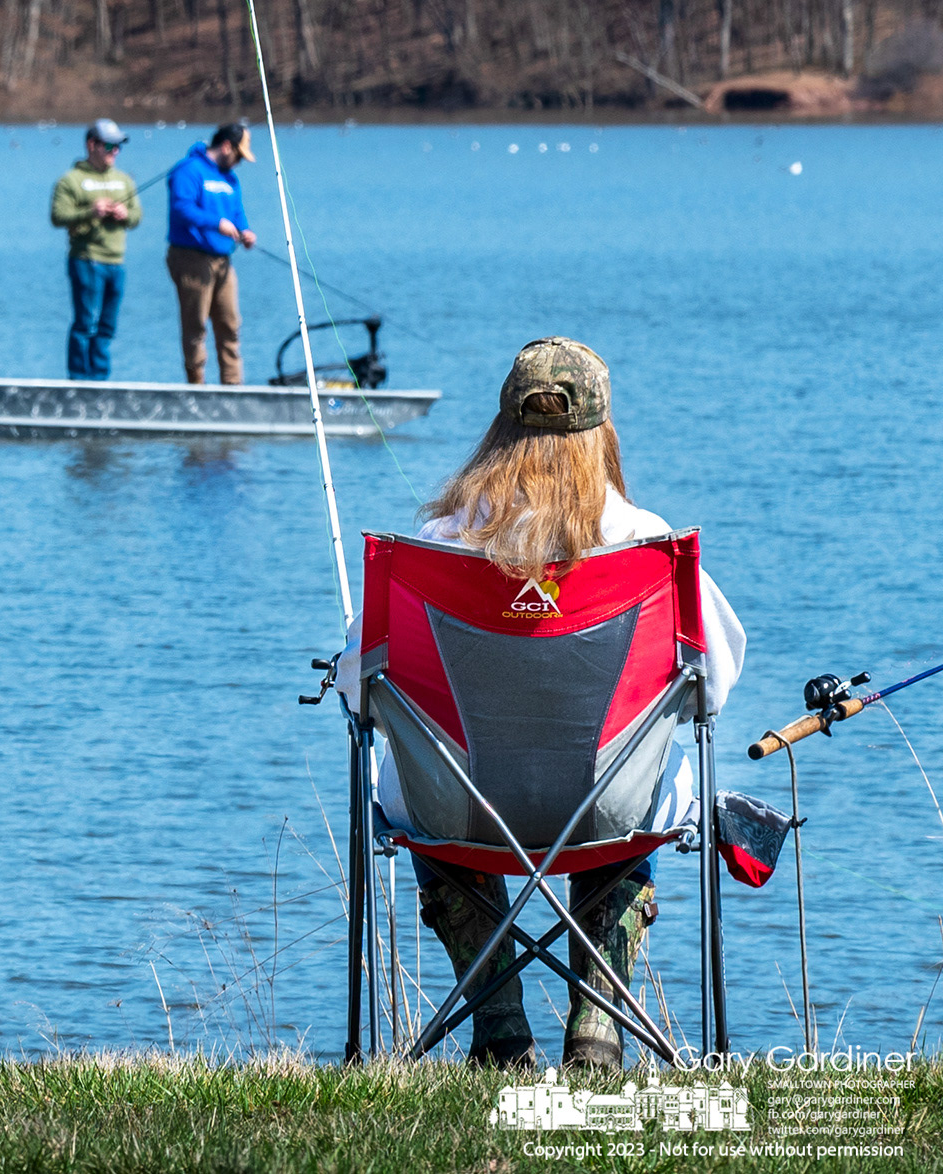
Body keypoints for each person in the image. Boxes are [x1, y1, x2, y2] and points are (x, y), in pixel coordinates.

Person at [335, 338, 745, 1070]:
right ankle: (598, 1026)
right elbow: (708, 691)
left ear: (499, 434)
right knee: (635, 774)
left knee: (416, 781)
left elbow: (358, 691)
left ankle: (499, 1031)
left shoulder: (434, 547)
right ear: (603, 436)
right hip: (608, 813)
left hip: (458, 814)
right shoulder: (651, 548)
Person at [165, 123, 257, 385]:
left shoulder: (230, 178)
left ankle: (233, 388)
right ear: (226, 146)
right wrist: (216, 223)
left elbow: (237, 213)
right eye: (239, 155)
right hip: (191, 258)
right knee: (196, 327)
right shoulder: (189, 170)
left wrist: (245, 231)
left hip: (223, 261)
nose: (239, 162)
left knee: (230, 325)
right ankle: (197, 386)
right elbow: (181, 209)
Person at [51, 118, 142, 381]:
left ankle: (100, 379)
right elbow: (58, 216)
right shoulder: (72, 180)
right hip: (86, 260)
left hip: (117, 262)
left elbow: (137, 216)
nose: (115, 152)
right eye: (110, 146)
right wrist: (91, 211)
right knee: (86, 323)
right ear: (92, 145)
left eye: (118, 147)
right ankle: (79, 378)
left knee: (107, 326)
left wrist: (123, 214)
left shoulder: (123, 180)